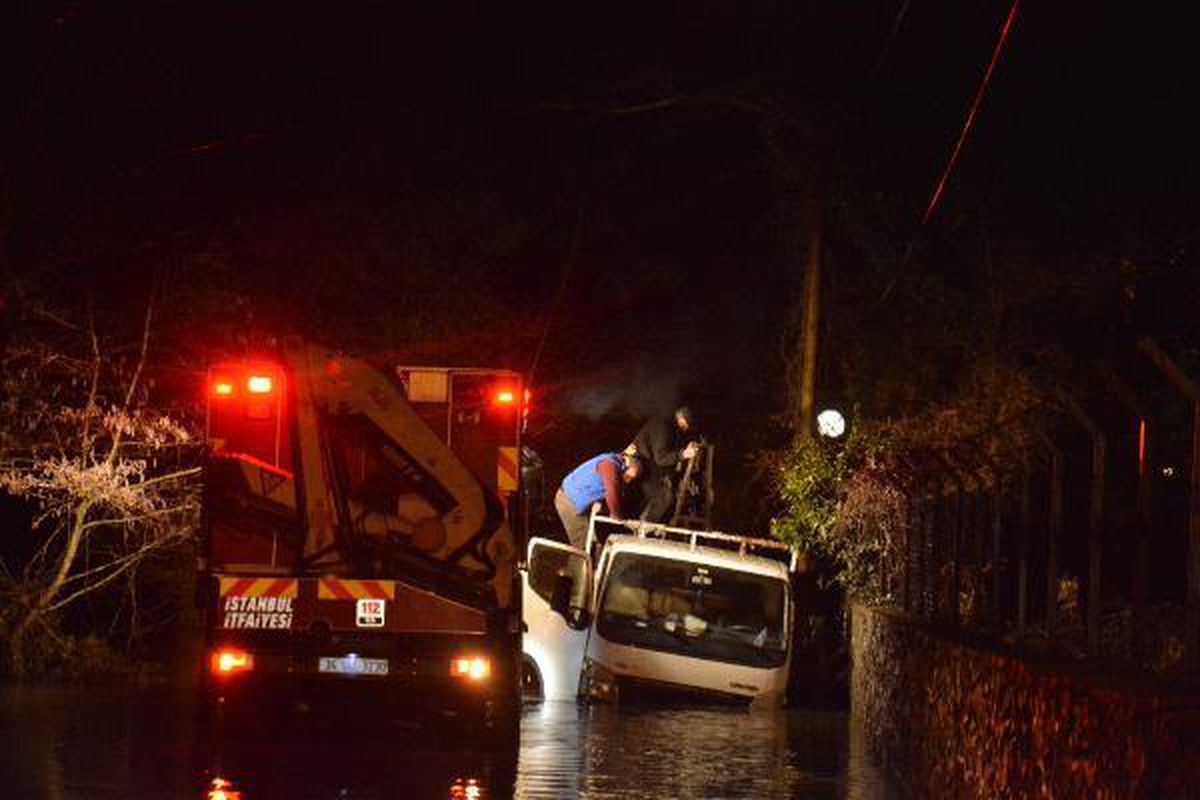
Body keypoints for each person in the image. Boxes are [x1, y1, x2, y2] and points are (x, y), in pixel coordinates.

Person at [627, 405, 700, 523]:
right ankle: (644, 529)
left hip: (647, 466)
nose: (686, 428)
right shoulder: (663, 426)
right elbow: (661, 458)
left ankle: (643, 525)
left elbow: (667, 455)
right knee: (665, 496)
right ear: (681, 418)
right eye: (687, 424)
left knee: (663, 496)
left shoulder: (671, 428)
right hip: (637, 464)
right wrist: (684, 455)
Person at [555, 451, 642, 548]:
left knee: (595, 544)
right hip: (568, 502)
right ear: (626, 466)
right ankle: (578, 562)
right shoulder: (609, 464)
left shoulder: (614, 465)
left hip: (576, 502)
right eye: (628, 476)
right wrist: (617, 516)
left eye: (631, 480)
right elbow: (612, 492)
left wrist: (601, 504)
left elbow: (600, 486)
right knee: (582, 546)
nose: (628, 481)